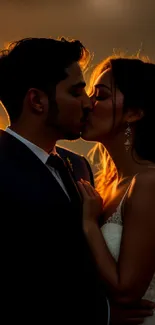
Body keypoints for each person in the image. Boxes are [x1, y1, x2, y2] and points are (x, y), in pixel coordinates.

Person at [0, 38, 153, 324]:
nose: (87, 103)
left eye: (97, 94)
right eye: (77, 91)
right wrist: (103, 315)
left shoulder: (79, 166)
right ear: (36, 100)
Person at [80, 55, 155, 324]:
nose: (87, 104)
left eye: (100, 96)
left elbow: (126, 292)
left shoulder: (148, 182)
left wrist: (89, 224)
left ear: (134, 113)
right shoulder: (104, 183)